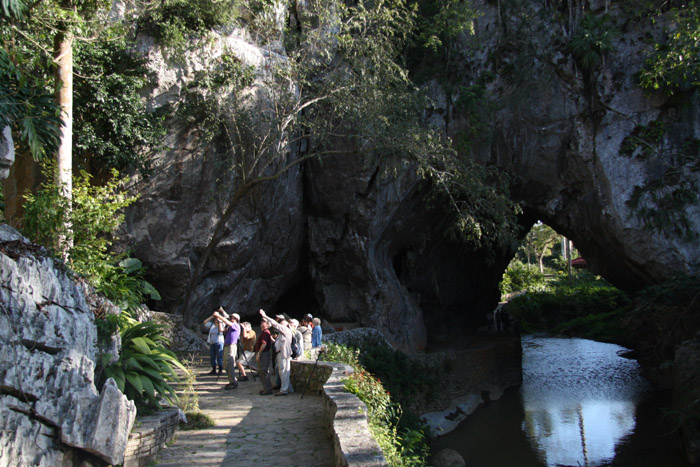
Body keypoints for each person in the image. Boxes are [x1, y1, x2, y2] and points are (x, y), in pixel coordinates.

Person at [259, 309, 293, 396]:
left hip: (283, 354)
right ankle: (289, 389)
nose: (279, 326)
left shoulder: (286, 330)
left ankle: (284, 390)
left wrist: (265, 315)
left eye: (281, 325)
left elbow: (275, 324)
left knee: (284, 371)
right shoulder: (282, 334)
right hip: (280, 353)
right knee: (283, 372)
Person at [214, 308, 240, 390]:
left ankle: (233, 382)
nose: (231, 318)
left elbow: (226, 321)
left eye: (233, 317)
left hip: (231, 346)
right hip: (227, 346)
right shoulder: (230, 327)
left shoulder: (236, 325)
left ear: (236, 319)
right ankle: (231, 381)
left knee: (230, 364)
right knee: (226, 364)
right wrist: (219, 321)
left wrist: (219, 316)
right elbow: (221, 330)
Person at [254, 319, 273, 395]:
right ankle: (266, 388)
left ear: (267, 325)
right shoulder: (264, 332)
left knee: (263, 371)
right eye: (261, 322)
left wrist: (259, 353)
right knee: (262, 371)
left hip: (264, 354)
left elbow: (264, 344)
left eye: (264, 322)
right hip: (263, 354)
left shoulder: (265, 332)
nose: (261, 324)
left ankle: (267, 389)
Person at [202, 310, 224, 375]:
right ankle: (214, 369)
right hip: (212, 343)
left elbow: (220, 330)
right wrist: (212, 316)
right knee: (213, 357)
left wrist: (219, 320)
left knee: (219, 356)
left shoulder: (221, 325)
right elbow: (205, 322)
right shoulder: (212, 325)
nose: (216, 320)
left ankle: (220, 369)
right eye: (215, 319)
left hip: (219, 342)